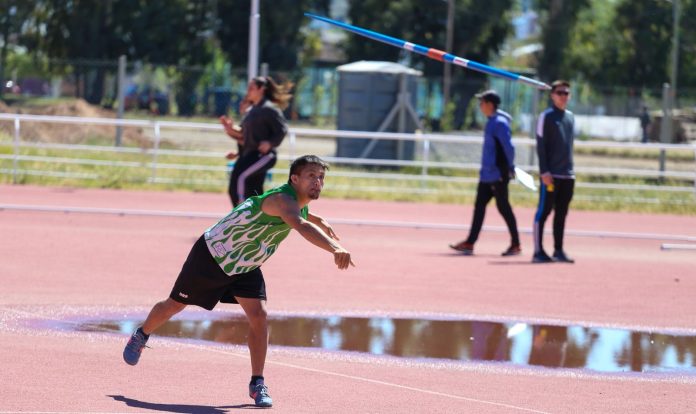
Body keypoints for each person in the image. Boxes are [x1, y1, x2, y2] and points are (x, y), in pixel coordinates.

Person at [122, 155, 354, 408]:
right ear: (294, 178)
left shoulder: (296, 201)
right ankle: (141, 334)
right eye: (311, 176)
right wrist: (335, 248)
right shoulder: (282, 199)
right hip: (213, 255)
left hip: (246, 264)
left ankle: (257, 383)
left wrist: (319, 220)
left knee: (259, 316)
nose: (318, 182)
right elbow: (297, 222)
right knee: (174, 305)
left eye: (321, 177)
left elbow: (302, 215)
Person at [449, 90, 521, 256]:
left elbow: (509, 148)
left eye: (482, 103)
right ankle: (470, 242)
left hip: (497, 175)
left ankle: (516, 243)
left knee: (504, 208)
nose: (480, 106)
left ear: (490, 104)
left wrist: (508, 169)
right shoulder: (491, 122)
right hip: (486, 175)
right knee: (479, 207)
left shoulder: (500, 123)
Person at [222, 76, 293, 207]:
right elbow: (244, 134)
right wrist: (230, 129)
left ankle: (242, 214)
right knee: (252, 189)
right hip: (249, 155)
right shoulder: (252, 110)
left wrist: (270, 143)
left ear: (262, 89)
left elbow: (282, 129)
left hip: (263, 156)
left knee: (241, 177)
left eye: (251, 88)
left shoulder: (268, 108)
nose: (248, 90)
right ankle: (259, 219)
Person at [532, 80, 575, 263]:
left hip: (567, 174)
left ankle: (558, 249)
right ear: (552, 95)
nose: (563, 96)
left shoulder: (570, 117)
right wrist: (544, 171)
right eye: (560, 93)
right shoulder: (546, 117)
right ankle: (538, 250)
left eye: (566, 93)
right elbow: (541, 145)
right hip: (551, 175)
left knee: (562, 213)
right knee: (544, 211)